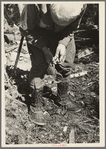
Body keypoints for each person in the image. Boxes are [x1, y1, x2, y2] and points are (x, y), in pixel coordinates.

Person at [18, 3, 87, 125]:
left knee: (66, 63)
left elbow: (73, 27)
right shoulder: (34, 6)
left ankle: (62, 98)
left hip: (64, 33)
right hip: (37, 32)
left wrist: (63, 43)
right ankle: (36, 105)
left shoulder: (80, 5)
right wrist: (44, 49)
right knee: (39, 65)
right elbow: (25, 29)